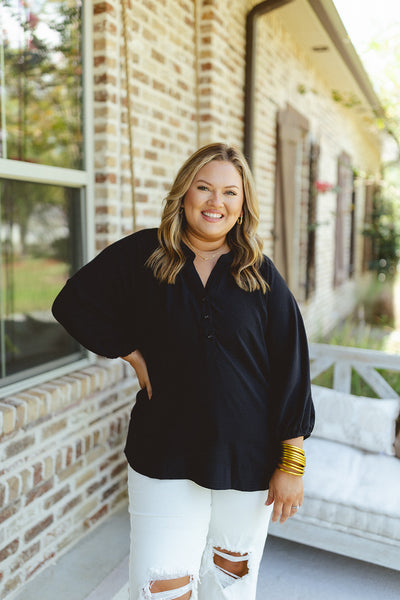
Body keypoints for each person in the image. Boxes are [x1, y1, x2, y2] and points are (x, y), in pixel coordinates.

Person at [52, 142, 314, 600]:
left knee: (231, 581)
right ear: (184, 193)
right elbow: (73, 303)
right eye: (204, 188)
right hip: (164, 452)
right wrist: (130, 353)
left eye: (230, 193)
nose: (216, 203)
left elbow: (291, 367)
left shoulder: (260, 275)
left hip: (249, 457)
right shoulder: (143, 255)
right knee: (161, 585)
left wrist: (292, 462)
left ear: (243, 203)